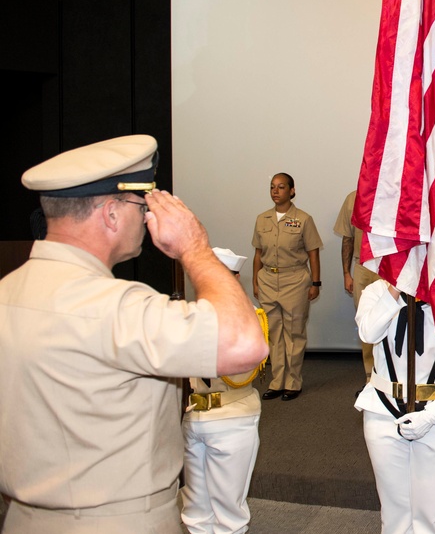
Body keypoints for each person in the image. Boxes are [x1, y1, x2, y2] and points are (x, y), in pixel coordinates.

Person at [0, 135, 268, 533]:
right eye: (142, 205)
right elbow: (245, 344)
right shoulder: (115, 306)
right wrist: (195, 248)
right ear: (111, 213)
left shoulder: (8, 292)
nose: (146, 218)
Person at [354, 281, 435, 534]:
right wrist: (395, 290)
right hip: (383, 412)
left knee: (431, 514)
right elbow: (368, 333)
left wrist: (434, 414)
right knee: (394, 513)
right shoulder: (376, 293)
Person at [182, 247, 268, 534]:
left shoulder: (249, 318)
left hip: (231, 416)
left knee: (228, 514)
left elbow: (242, 369)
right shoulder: (187, 315)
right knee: (194, 510)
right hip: (193, 417)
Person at [252, 172, 323, 401]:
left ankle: (293, 382)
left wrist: (315, 283)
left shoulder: (303, 219)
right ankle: (276, 382)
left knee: (294, 333)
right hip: (268, 280)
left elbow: (313, 254)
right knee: (273, 334)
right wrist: (255, 281)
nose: (275, 191)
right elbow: (258, 254)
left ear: (292, 191)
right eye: (272, 187)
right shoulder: (262, 219)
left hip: (295, 280)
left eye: (281, 187)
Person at [333, 190, 382, 390]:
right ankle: (370, 376)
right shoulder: (353, 198)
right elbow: (347, 238)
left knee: (394, 320)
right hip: (363, 266)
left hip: (391, 266)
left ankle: (391, 374)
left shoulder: (397, 192)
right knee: (367, 321)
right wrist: (347, 273)